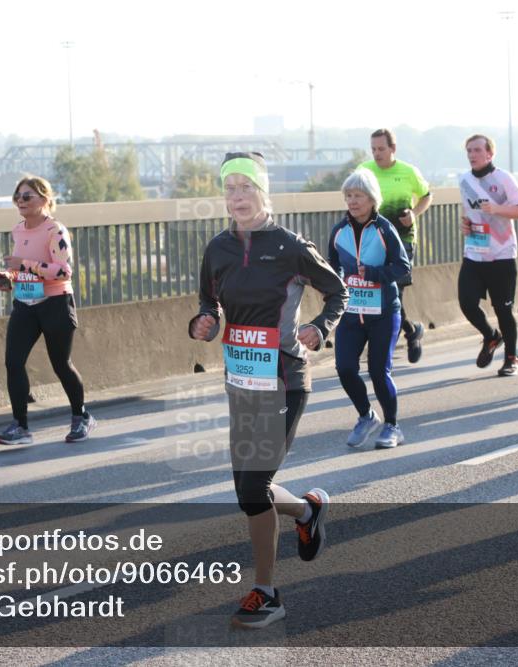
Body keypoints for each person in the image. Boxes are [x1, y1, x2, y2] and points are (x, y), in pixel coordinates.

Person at [189, 152, 346, 629]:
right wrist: (205, 321)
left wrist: (320, 327)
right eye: (230, 189)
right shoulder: (217, 247)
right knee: (246, 491)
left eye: (245, 188)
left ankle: (266, 591)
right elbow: (208, 300)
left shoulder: (291, 246)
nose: (237, 197)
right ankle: (305, 510)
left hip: (285, 379)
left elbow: (337, 291)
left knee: (254, 484)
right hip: (242, 381)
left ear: (263, 192)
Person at [0, 174, 95, 445]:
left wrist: (23, 264)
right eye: (17, 196)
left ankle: (81, 416)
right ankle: (20, 426)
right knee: (13, 362)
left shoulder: (55, 231)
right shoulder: (18, 229)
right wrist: (10, 277)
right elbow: (25, 268)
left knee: (61, 364)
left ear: (45, 200)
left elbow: (63, 271)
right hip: (25, 303)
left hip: (55, 303)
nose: (21, 201)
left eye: (27, 196)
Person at [328, 168, 411, 449]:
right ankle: (366, 416)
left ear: (372, 199)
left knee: (378, 370)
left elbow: (402, 267)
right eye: (349, 195)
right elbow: (330, 267)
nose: (353, 201)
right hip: (351, 313)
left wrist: (373, 274)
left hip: (384, 313)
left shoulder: (385, 229)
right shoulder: (339, 231)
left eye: (359, 195)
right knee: (345, 368)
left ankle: (392, 426)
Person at [458, 135, 518, 376]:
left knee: (503, 309)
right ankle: (490, 336)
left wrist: (497, 209)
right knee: (467, 303)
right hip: (474, 251)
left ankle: (512, 357)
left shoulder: (503, 178)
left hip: (502, 253)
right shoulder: (464, 180)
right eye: (469, 150)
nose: (472, 154)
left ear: (490, 154)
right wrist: (465, 225)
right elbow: (469, 213)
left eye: (477, 150)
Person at [361, 129, 433, 363]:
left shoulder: (408, 171)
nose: (377, 154)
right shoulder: (364, 172)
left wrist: (414, 213)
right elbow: (352, 198)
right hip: (373, 241)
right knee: (382, 296)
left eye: (381, 149)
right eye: (373, 149)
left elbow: (426, 196)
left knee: (394, 293)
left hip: (402, 241)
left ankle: (385, 352)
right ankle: (412, 333)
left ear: (393, 149)